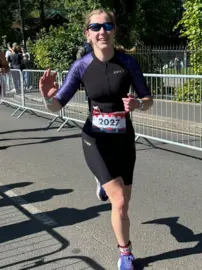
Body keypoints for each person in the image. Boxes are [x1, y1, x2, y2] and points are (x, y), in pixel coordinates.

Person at [38, 8, 153, 270]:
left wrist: (137, 104)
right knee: (120, 202)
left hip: (124, 139)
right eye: (96, 27)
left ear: (114, 31)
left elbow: (148, 100)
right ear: (87, 33)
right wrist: (47, 97)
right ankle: (126, 253)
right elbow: (58, 105)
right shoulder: (81, 66)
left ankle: (103, 184)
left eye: (107, 26)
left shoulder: (128, 63)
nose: (102, 31)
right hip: (95, 140)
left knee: (124, 201)